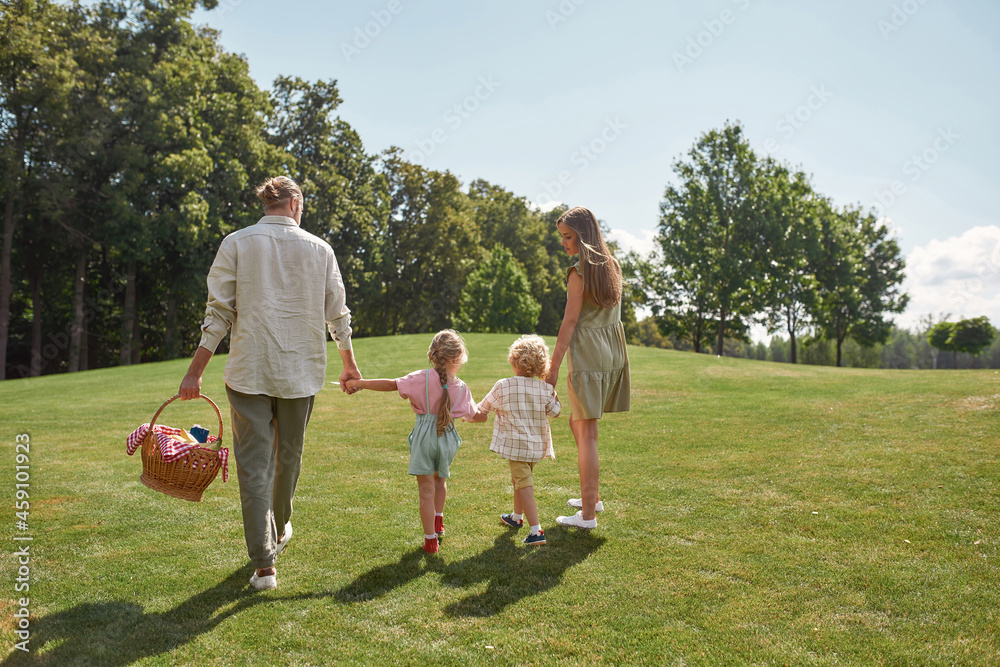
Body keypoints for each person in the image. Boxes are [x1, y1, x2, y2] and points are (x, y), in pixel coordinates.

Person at [179, 176, 362, 591]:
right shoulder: (321, 249)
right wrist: (349, 365)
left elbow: (217, 315)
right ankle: (278, 531)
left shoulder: (237, 242)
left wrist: (195, 371)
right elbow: (339, 316)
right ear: (295, 203)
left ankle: (265, 565)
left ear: (268, 204)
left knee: (253, 467)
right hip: (300, 374)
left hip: (249, 372)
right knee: (288, 459)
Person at [346, 330, 476, 554]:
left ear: (433, 355)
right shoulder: (462, 387)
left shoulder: (419, 378)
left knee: (426, 490)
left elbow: (391, 384)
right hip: (447, 438)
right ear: (459, 358)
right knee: (440, 481)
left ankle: (430, 540)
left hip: (424, 438)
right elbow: (474, 415)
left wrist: (359, 382)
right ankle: (439, 522)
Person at [546, 206, 630, 529]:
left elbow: (569, 323)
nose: (564, 243)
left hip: (588, 357)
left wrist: (552, 369)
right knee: (578, 423)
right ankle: (590, 496)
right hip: (611, 355)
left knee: (587, 431)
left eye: (568, 237)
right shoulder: (613, 266)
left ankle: (588, 516)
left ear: (583, 234)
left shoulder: (578, 273)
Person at [467, 335, 561, 546]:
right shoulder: (544, 389)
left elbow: (482, 409)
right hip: (535, 448)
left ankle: (536, 531)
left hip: (516, 447)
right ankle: (516, 517)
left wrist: (465, 413)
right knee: (519, 481)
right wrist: (552, 391)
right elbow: (556, 412)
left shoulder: (504, 386)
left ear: (514, 359)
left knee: (524, 485)